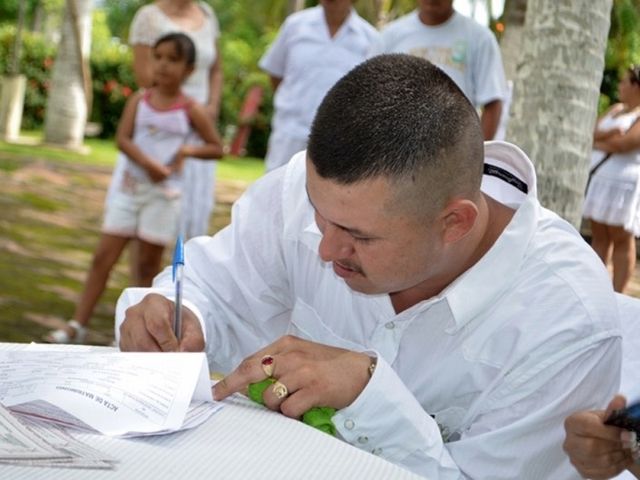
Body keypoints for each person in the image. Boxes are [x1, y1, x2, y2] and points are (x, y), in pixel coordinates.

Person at [116, 55, 620, 478]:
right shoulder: (310, 192)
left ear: (454, 223)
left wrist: (372, 398)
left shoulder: (566, 322)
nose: (326, 249)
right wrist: (181, 316)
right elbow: (216, 287)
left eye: (359, 237)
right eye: (319, 213)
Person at [45, 33, 223, 344]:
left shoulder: (191, 109)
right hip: (129, 190)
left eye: (173, 59)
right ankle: (77, 325)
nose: (164, 65)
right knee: (103, 257)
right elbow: (122, 139)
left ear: (190, 70)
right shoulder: (139, 101)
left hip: (164, 196)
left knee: (146, 267)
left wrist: (184, 152)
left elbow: (216, 147)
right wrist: (148, 163)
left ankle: (129, 337)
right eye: (159, 56)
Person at [110, 0, 223, 240]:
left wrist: (210, 106)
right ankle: (139, 277)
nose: (163, 62)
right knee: (140, 225)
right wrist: (178, 113)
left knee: (189, 222)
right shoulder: (149, 16)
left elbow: (216, 69)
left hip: (197, 131)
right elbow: (145, 77)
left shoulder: (208, 14)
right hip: (156, 131)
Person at [258, 0, 380, 172]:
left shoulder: (370, 39)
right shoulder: (295, 26)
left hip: (337, 142)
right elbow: (276, 73)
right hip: (289, 135)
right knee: (277, 193)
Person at [372, 0, 506, 140]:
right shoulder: (388, 38)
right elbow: (370, 96)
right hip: (397, 148)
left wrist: (479, 156)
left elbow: (493, 102)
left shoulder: (480, 39)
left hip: (454, 148)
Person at [583, 66, 640, 294]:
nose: (620, 86)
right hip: (601, 180)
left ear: (636, 86)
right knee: (599, 236)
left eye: (624, 82)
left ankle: (618, 292)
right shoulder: (616, 109)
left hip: (622, 185)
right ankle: (594, 287)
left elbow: (625, 144)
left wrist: (601, 141)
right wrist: (608, 136)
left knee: (621, 239)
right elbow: (593, 131)